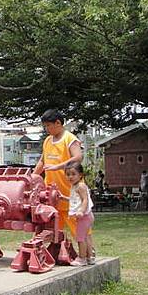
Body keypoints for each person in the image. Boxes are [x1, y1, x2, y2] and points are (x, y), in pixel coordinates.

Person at [33, 109, 83, 238]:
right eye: (45, 126)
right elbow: (42, 162)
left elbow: (78, 157)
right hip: (51, 195)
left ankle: (88, 254)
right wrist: (31, 178)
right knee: (51, 228)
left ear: (58, 123)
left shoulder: (70, 139)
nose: (46, 129)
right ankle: (55, 254)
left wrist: (57, 167)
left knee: (78, 228)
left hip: (69, 191)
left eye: (48, 125)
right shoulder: (48, 141)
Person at [65, 162, 96, 266]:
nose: (70, 177)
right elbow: (75, 200)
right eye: (68, 174)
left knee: (80, 238)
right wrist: (62, 198)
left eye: (73, 174)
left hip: (84, 216)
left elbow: (85, 200)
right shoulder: (75, 186)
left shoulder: (80, 186)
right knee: (86, 236)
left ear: (80, 175)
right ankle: (90, 257)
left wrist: (81, 211)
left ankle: (81, 258)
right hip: (85, 216)